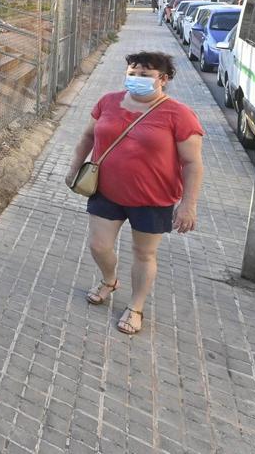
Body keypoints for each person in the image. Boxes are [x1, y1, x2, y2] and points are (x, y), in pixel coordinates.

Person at [64, 51, 204, 335]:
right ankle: (109, 279)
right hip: (106, 191)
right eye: (132, 72)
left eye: (145, 75)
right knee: (98, 246)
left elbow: (192, 163)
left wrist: (188, 205)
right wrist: (73, 168)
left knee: (144, 254)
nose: (136, 78)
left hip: (152, 199)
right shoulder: (108, 101)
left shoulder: (179, 114)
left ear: (163, 79)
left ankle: (136, 306)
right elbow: (88, 137)